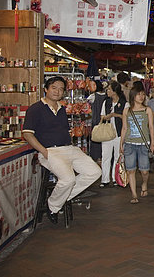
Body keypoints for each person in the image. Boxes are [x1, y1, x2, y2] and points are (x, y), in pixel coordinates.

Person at [22, 76, 101, 224]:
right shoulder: (35, 109)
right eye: (54, 88)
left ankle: (60, 197)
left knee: (95, 172)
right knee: (68, 179)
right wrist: (44, 152)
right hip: (50, 151)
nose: (57, 91)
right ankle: (53, 206)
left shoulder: (62, 108)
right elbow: (27, 134)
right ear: (46, 89)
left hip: (69, 148)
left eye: (60, 89)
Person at [119, 84, 154, 204]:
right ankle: (134, 194)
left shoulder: (147, 110)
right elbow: (124, 128)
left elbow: (151, 127)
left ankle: (144, 183)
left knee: (144, 170)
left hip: (143, 144)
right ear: (133, 96)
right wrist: (121, 144)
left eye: (143, 94)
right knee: (131, 170)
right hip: (129, 143)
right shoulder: (126, 111)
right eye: (138, 94)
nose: (141, 96)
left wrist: (153, 143)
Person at [99, 81, 127, 188]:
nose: (107, 91)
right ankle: (105, 179)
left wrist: (115, 114)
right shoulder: (106, 102)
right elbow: (102, 116)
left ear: (115, 91)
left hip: (119, 134)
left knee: (118, 156)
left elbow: (126, 117)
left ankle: (116, 178)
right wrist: (105, 117)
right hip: (107, 133)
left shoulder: (124, 103)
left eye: (109, 89)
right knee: (105, 156)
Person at [88, 80, 107, 161]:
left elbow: (86, 103)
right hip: (106, 121)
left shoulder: (93, 96)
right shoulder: (107, 96)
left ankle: (96, 158)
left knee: (96, 140)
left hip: (96, 121)